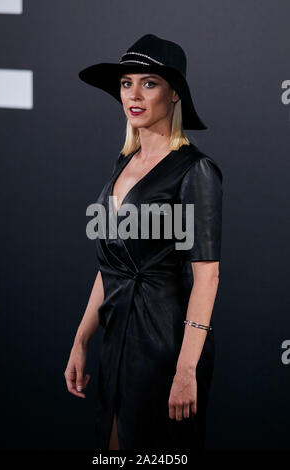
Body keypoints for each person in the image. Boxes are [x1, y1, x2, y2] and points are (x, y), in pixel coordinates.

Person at [64, 33, 223, 451]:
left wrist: (186, 368)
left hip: (165, 346)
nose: (133, 94)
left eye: (148, 83)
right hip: (117, 339)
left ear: (174, 95)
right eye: (126, 83)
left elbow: (207, 277)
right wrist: (82, 340)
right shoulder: (123, 163)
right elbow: (111, 266)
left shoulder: (196, 170)